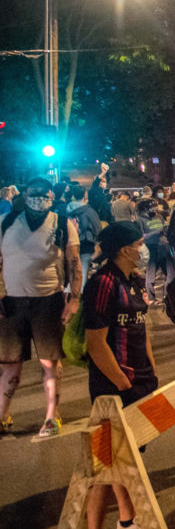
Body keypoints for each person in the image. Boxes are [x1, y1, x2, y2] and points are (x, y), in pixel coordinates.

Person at [76, 222, 156, 529]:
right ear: (124, 249)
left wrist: (151, 372)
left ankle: (126, 523)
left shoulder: (134, 282)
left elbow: (142, 330)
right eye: (139, 243)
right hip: (113, 390)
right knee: (106, 463)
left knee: (122, 460)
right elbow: (96, 344)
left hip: (139, 383)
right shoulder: (102, 284)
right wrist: (122, 383)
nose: (143, 249)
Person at [0, 177, 82, 438]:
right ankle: (2, 414)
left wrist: (75, 298)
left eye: (45, 194)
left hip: (48, 301)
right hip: (12, 303)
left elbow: (74, 262)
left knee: (49, 362)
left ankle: (51, 416)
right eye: (34, 193)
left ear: (51, 196)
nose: (39, 198)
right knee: (10, 365)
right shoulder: (7, 223)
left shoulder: (62, 224)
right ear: (24, 195)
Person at [67, 183, 102, 284]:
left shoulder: (66, 209)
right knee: (83, 270)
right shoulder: (89, 211)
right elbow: (97, 228)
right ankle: (80, 293)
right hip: (85, 244)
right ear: (85, 195)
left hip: (69, 243)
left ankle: (70, 292)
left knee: (72, 270)